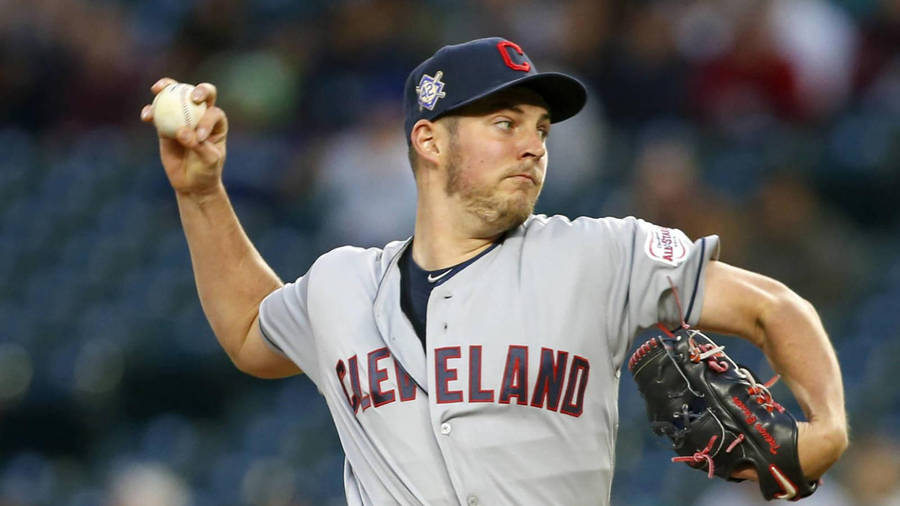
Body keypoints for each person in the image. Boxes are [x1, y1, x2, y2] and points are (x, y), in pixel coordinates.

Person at [140, 37, 848, 505]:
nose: (533, 146)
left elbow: (775, 308)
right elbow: (246, 330)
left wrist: (829, 427)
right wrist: (201, 192)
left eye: (541, 129)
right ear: (429, 140)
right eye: (505, 124)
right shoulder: (341, 284)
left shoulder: (599, 253)